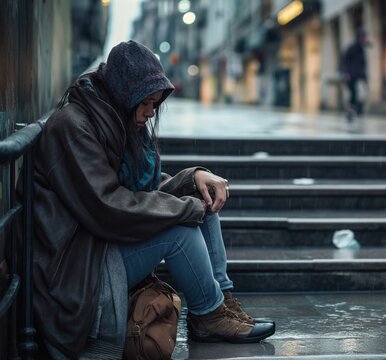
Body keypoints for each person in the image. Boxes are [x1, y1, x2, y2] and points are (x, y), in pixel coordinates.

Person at [22, 40, 275, 359]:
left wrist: (192, 177)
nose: (150, 112)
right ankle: (209, 317)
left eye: (155, 104)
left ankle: (220, 301)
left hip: (98, 246)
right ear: (123, 94)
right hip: (77, 268)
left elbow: (140, 191)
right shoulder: (73, 127)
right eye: (145, 102)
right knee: (181, 231)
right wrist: (184, 208)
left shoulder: (109, 117)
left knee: (201, 196)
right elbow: (109, 206)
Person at [340, 27, 369, 121]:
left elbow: (363, 64)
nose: (364, 39)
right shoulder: (352, 48)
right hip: (350, 76)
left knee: (358, 94)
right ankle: (350, 110)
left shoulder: (362, 50)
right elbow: (344, 61)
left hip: (358, 76)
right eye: (362, 37)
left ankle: (353, 110)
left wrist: (365, 77)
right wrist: (345, 73)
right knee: (353, 93)